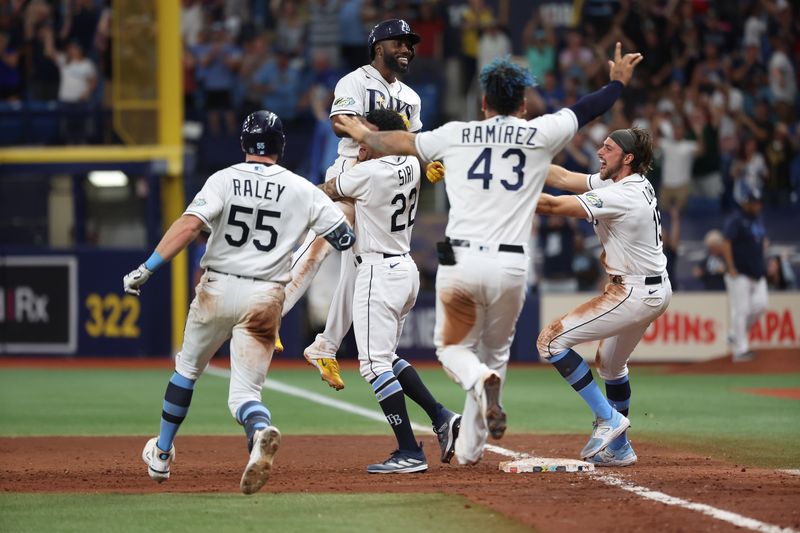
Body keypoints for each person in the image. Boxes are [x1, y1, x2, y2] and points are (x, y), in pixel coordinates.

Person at [335, 43, 643, 465]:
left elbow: (389, 140)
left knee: (452, 352)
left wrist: (359, 132)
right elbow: (587, 108)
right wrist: (617, 82)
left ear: (483, 103)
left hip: (460, 261)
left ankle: (478, 384)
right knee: (496, 356)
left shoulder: (456, 134)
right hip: (512, 265)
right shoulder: (538, 133)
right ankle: (472, 446)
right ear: (522, 105)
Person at [122, 110, 354, 494]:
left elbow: (189, 225)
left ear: (244, 144)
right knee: (246, 394)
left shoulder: (223, 179)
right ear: (281, 145)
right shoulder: (302, 189)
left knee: (187, 370)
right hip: (265, 295)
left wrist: (147, 268)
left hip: (217, 287)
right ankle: (259, 430)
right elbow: (343, 238)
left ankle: (161, 454)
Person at [280, 18, 438, 392]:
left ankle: (325, 345)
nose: (406, 49)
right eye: (398, 42)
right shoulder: (355, 80)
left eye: (409, 44)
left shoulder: (411, 98)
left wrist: (427, 161)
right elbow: (339, 122)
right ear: (378, 46)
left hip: (385, 177)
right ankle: (274, 311)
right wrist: (374, 136)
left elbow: (412, 144)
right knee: (323, 245)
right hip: (355, 167)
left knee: (362, 261)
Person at [318, 108, 460, 472]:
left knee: (372, 365)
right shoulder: (412, 164)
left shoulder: (367, 173)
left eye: (368, 135)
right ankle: (441, 416)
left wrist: (346, 168)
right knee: (387, 358)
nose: (362, 141)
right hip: (405, 269)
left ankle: (410, 451)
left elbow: (325, 194)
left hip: (377, 272)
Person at [535, 126, 671, 467]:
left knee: (550, 343)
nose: (599, 151)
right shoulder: (625, 183)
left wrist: (493, 191)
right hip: (653, 287)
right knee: (610, 366)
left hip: (634, 290)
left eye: (608, 148)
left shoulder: (622, 194)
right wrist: (517, 162)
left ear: (627, 158)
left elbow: (553, 204)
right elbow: (563, 177)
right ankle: (620, 447)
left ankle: (608, 419)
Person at [723, 185, 768, 362]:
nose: (757, 206)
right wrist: (731, 266)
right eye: (754, 203)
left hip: (756, 272)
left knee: (760, 305)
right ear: (746, 203)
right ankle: (741, 351)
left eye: (759, 202)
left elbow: (761, 240)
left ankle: (735, 333)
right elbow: (726, 242)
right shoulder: (737, 219)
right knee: (741, 310)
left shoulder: (758, 219)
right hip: (739, 272)